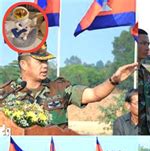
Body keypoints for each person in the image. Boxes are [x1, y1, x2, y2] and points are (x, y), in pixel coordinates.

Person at [0, 44, 137, 128]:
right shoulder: (5, 93)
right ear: (24, 64)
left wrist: (114, 80)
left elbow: (95, 94)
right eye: (39, 62)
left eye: (46, 62)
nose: (45, 66)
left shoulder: (59, 88)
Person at [137, 29, 150, 135]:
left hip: (148, 129)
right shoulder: (125, 74)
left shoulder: (147, 75)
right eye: (143, 43)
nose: (147, 48)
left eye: (148, 44)